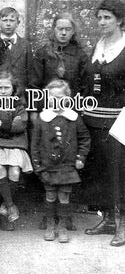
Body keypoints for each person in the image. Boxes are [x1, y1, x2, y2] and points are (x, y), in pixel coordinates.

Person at [29, 12, 89, 231]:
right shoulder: (44, 52)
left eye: (68, 29)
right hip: (48, 110)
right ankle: (48, 216)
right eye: (59, 29)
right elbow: (35, 84)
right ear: (53, 30)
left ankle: (66, 215)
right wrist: (35, 112)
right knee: (47, 156)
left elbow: (84, 85)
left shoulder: (80, 55)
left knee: (68, 159)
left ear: (73, 32)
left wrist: (77, 109)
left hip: (70, 111)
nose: (63, 33)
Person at [82, 0, 125, 247]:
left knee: (119, 172)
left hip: (119, 121)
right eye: (99, 18)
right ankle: (108, 219)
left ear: (119, 19)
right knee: (100, 172)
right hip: (95, 119)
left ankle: (122, 224)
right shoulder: (99, 45)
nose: (102, 22)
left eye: (107, 17)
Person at [31, 79, 90, 243]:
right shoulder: (42, 118)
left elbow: (85, 138)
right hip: (48, 166)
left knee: (64, 196)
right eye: (52, 97)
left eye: (59, 97)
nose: (55, 101)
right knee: (50, 195)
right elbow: (35, 144)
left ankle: (62, 226)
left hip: (67, 166)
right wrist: (38, 166)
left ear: (67, 98)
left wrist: (81, 157)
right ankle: (51, 225)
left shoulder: (73, 117)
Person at [0, 71, 32, 231]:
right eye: (0, 87)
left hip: (16, 144)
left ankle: (5, 208)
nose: (3, 91)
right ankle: (11, 206)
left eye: (7, 87)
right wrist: (9, 125)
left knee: (15, 171)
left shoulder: (19, 105)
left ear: (13, 89)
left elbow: (21, 125)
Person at [0, 7, 31, 92]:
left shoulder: (25, 44)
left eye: (12, 21)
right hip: (0, 91)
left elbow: (30, 71)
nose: (8, 24)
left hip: (20, 92)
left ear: (18, 23)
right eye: (4, 20)